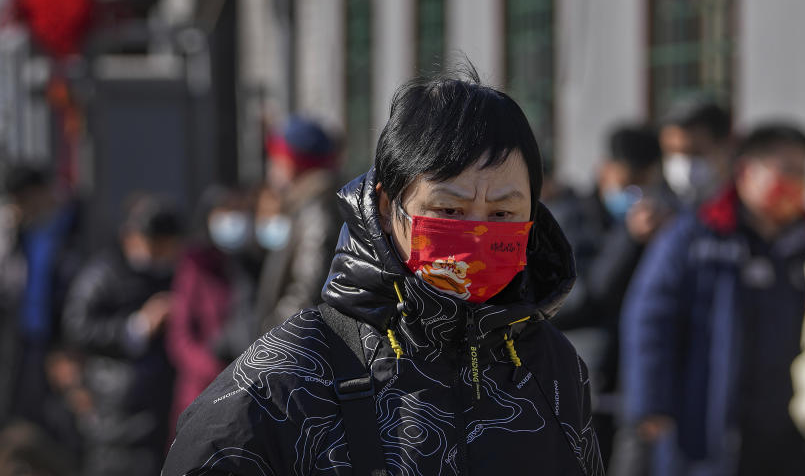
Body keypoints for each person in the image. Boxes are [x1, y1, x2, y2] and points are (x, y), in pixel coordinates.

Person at [164, 68, 603, 475]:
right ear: (389, 206)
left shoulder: (553, 368)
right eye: (449, 209)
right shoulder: (281, 384)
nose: (476, 234)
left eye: (503, 212)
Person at [621, 122, 805, 476]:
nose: (798, 183)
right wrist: (650, 402)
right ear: (747, 172)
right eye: (787, 170)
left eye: (804, 172)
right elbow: (651, 317)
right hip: (706, 420)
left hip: (788, 431)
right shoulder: (695, 235)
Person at [551, 123, 675, 465]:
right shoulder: (566, 220)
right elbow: (576, 297)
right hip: (582, 385)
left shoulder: (669, 221)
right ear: (603, 170)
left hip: (636, 389)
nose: (634, 195)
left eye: (642, 184)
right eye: (626, 183)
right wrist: (629, 239)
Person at [62, 197, 183, 476]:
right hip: (116, 414)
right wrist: (137, 326)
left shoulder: (175, 273)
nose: (159, 253)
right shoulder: (102, 273)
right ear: (130, 237)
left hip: (165, 406)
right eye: (153, 243)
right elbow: (76, 327)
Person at [167, 186, 262, 438]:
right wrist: (216, 371)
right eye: (226, 211)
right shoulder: (195, 264)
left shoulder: (252, 263)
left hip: (249, 392)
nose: (234, 219)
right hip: (203, 392)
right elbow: (180, 339)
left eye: (239, 211)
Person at [0, 164, 83, 440]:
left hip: (63, 347)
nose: (20, 209)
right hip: (24, 344)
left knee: (61, 429)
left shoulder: (76, 225)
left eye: (23, 200)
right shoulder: (20, 234)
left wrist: (69, 348)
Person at [254, 116, 343, 333]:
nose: (271, 168)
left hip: (294, 343)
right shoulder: (306, 205)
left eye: (275, 159)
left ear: (291, 162)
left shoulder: (318, 210)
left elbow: (306, 290)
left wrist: (274, 337)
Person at [659, 99, 734, 209]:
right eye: (672, 153)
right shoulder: (652, 212)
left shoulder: (752, 216)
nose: (683, 163)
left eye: (695, 154)